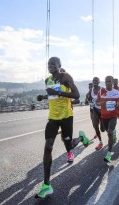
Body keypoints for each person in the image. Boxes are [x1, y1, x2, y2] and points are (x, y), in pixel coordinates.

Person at [35, 56, 90, 199]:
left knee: (69, 144)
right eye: (48, 64)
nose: (50, 65)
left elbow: (76, 94)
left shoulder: (66, 77)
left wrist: (59, 92)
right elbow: (52, 95)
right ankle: (47, 185)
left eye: (53, 63)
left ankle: (81, 138)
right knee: (48, 146)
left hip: (66, 117)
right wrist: (43, 96)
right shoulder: (48, 80)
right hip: (53, 118)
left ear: (59, 65)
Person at [96, 76, 119, 162]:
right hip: (104, 116)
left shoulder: (117, 92)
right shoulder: (101, 91)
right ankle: (113, 133)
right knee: (106, 131)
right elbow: (96, 102)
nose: (107, 83)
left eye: (109, 81)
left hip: (113, 115)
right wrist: (102, 103)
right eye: (106, 81)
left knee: (110, 133)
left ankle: (109, 153)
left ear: (112, 82)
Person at [86, 77, 104, 150]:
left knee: (102, 129)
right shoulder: (91, 90)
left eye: (96, 81)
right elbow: (88, 97)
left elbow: (107, 98)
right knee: (95, 126)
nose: (95, 82)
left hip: (102, 111)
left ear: (99, 82)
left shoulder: (102, 89)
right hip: (95, 110)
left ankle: (112, 132)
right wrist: (88, 100)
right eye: (94, 81)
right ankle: (100, 142)